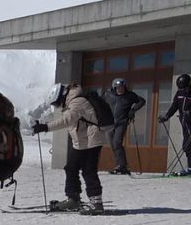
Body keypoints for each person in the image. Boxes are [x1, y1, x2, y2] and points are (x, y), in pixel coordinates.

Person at [31, 83, 107, 213]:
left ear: (61, 96)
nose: (57, 106)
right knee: (71, 168)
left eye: (56, 103)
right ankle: (73, 199)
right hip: (81, 141)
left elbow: (67, 120)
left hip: (92, 139)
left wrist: (45, 127)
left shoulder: (77, 102)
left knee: (88, 170)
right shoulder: (72, 102)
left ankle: (96, 203)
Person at [104, 78, 145, 175]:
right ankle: (120, 165)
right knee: (113, 145)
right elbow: (100, 102)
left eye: (122, 87)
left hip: (121, 123)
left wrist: (133, 110)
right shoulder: (108, 95)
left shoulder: (129, 96)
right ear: (114, 88)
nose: (120, 89)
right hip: (109, 123)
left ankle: (122, 166)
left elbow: (142, 101)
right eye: (118, 88)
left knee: (117, 143)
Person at [159, 73, 191, 176]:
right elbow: (175, 106)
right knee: (187, 145)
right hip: (185, 123)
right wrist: (167, 116)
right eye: (182, 88)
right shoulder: (180, 92)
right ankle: (190, 168)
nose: (184, 90)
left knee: (188, 145)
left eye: (185, 88)